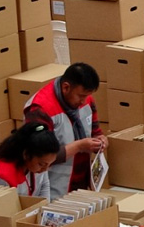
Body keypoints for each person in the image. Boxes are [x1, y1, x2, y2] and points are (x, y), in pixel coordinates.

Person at [22, 63, 105, 197]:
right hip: (54, 187)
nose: (84, 101)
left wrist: (100, 139)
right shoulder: (40, 109)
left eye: (87, 96)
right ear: (66, 87)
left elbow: (95, 129)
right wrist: (79, 146)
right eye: (81, 96)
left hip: (81, 182)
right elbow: (39, 155)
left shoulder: (86, 99)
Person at [0, 121, 61, 200]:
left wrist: (43, 209)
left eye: (49, 164)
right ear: (26, 155)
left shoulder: (39, 164)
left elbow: (44, 185)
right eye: (42, 164)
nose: (46, 169)